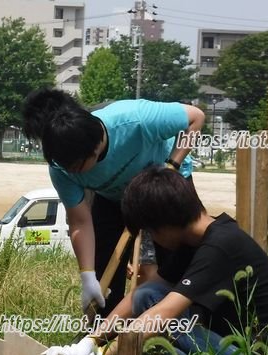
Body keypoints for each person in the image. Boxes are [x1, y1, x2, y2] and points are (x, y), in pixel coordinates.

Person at [45, 167, 268, 355]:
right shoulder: (195, 239)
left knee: (147, 317)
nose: (153, 238)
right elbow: (141, 294)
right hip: (225, 349)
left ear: (164, 224)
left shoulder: (222, 245)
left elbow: (162, 311)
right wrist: (90, 342)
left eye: (150, 231)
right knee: (142, 321)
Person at [22, 89, 205, 317]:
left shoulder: (136, 118)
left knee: (175, 259)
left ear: (95, 148)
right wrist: (87, 276)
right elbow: (80, 221)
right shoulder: (61, 167)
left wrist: (172, 165)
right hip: (115, 197)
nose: (72, 173)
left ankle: (184, 327)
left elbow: (196, 117)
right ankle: (104, 337)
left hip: (164, 184)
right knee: (104, 263)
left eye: (77, 168)